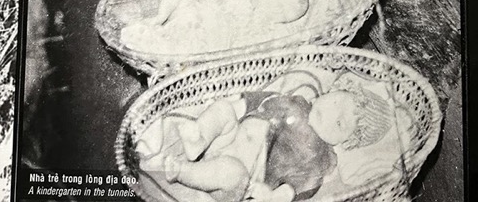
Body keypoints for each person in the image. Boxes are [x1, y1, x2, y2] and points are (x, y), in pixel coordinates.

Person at [139, 84, 393, 202]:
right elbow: (261, 100)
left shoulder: (321, 156)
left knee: (231, 172)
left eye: (340, 124)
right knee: (223, 110)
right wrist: (238, 105)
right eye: (337, 102)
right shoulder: (298, 100)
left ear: (348, 141)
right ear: (331, 92)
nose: (331, 114)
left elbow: (300, 187)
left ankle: (182, 172)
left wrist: (273, 196)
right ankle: (198, 136)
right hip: (231, 135)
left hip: (243, 171)